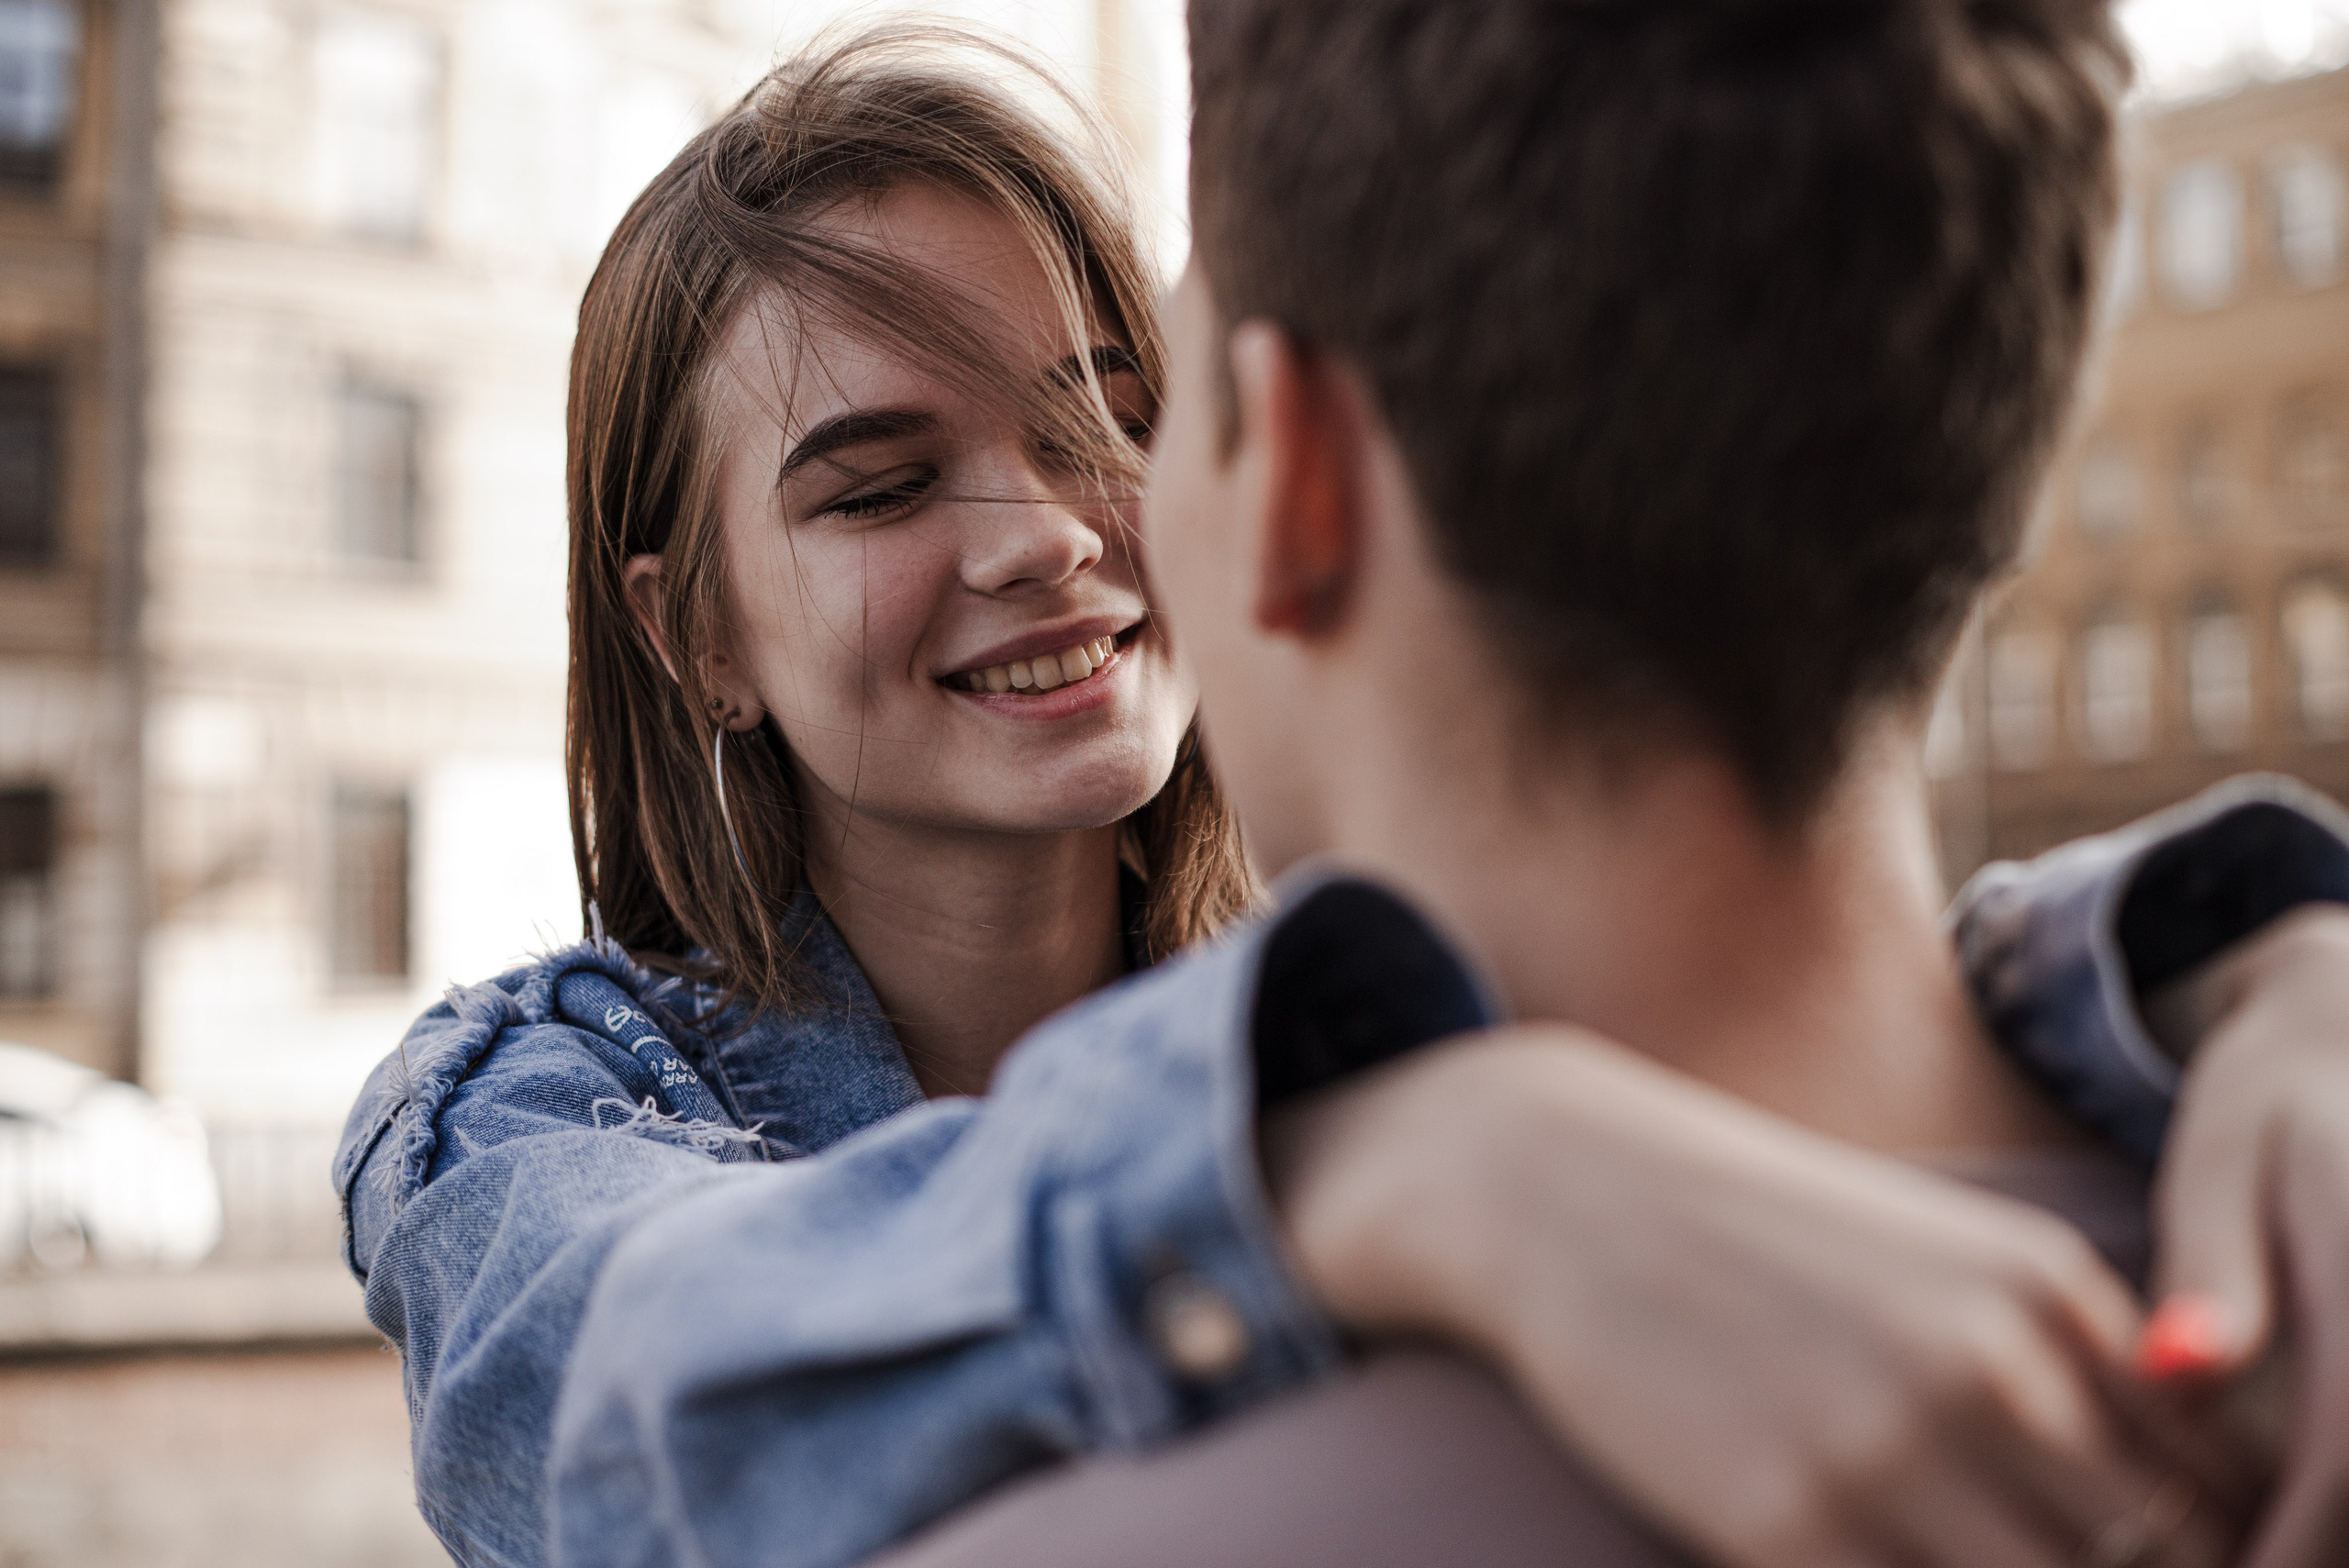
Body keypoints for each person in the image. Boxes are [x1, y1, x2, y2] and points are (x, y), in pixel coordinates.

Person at [334, 21, 2349, 1568]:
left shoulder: (1409, 971)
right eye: (874, 484)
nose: (1044, 531)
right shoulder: (537, 1103)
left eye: (1108, 414)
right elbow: (606, 1394)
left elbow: (1791, 976)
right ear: (690, 635)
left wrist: (2245, 957)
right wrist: (1373, 1167)